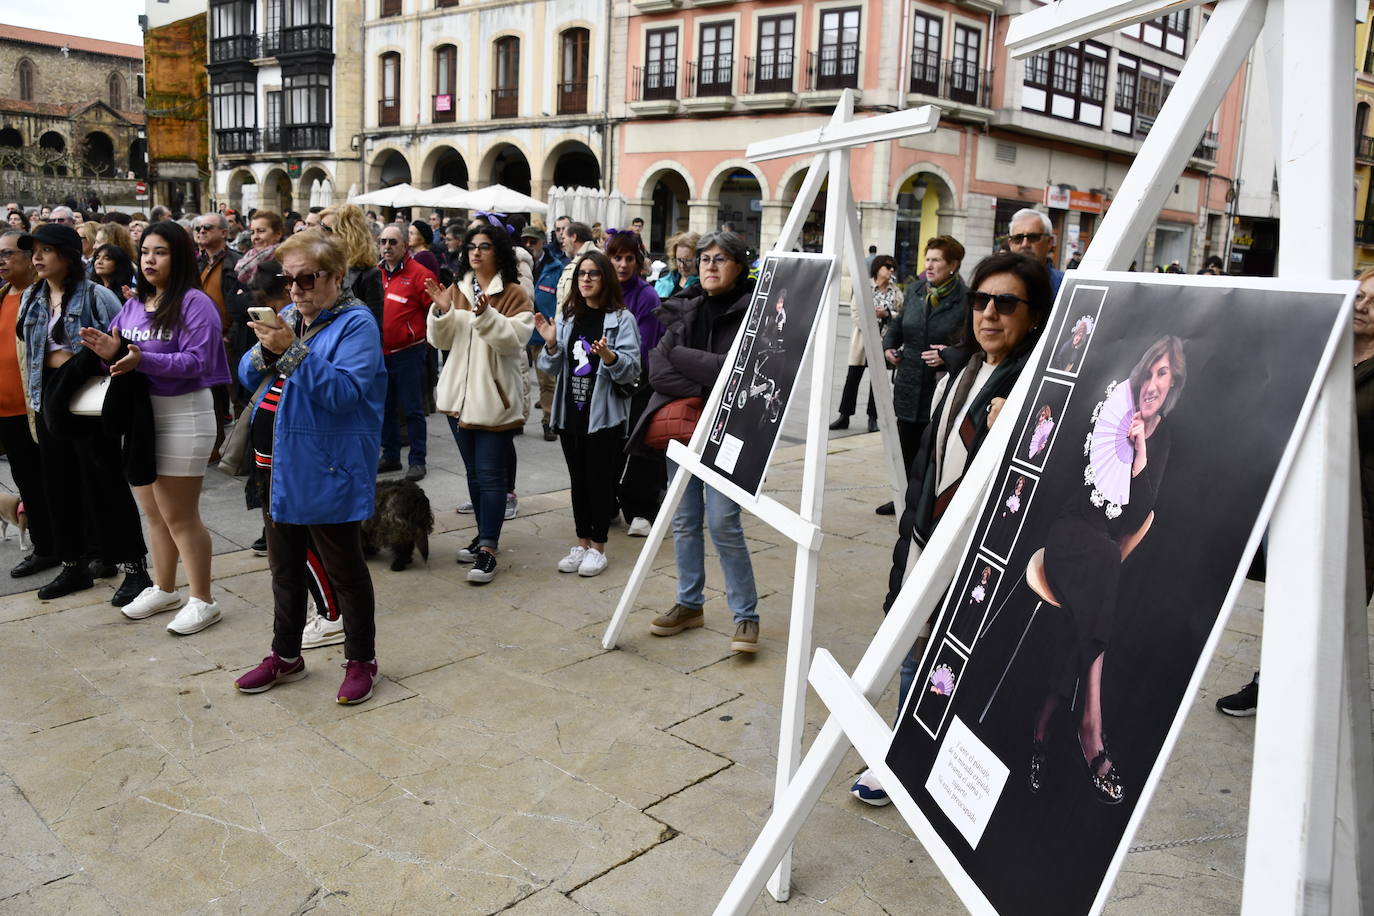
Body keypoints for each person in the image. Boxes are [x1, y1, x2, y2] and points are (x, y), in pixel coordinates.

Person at [852, 251, 1052, 806]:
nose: (989, 313)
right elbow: (931, 465)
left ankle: (933, 763)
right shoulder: (964, 368)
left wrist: (1017, 430)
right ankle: (903, 754)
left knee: (963, 662)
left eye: (1006, 303)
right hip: (930, 537)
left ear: (1033, 315)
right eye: (981, 300)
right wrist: (911, 536)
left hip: (983, 557)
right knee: (914, 644)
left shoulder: (1037, 388)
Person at [1025, 335, 1186, 805]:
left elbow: (1135, 519)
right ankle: (1090, 726)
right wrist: (1124, 445)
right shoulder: (1114, 412)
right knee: (1103, 558)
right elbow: (1087, 485)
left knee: (1104, 563)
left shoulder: (1162, 436)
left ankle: (1044, 721)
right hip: (1072, 532)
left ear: (1173, 382)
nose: (1153, 383)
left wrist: (1141, 456)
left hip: (1102, 552)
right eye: (1149, 372)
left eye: (1163, 374)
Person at [232, 231, 387, 705]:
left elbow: (344, 394)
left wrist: (290, 351)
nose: (296, 289)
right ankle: (286, 654)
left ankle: (361, 660)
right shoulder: (293, 319)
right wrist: (267, 348)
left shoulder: (357, 324)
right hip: (277, 464)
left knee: (344, 568)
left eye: (307, 279)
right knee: (284, 567)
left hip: (326, 465)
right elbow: (246, 374)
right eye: (289, 279)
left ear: (337, 277)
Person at [1216, 266, 1374, 717]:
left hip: (1356, 507)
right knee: (1288, 596)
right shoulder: (1326, 349)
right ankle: (1267, 683)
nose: (1363, 306)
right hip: (1297, 498)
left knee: (1335, 609)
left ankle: (1321, 703)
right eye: (1360, 296)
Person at [80, 221, 231, 634]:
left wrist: (141, 360)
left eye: (160, 252)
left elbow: (198, 362)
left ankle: (203, 599)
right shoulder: (134, 304)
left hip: (184, 414)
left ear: (179, 257)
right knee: (154, 513)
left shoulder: (195, 303)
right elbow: (120, 353)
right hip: (142, 418)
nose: (150, 259)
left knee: (180, 515)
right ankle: (164, 588)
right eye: (145, 251)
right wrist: (108, 352)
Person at [632, 231, 761, 653]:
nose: (709, 265)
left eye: (720, 259)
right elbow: (657, 371)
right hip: (684, 427)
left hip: (730, 430)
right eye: (705, 258)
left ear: (739, 266)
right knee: (685, 519)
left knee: (723, 521)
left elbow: (735, 371)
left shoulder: (753, 312)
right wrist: (709, 382)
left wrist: (683, 358)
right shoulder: (685, 305)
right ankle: (689, 604)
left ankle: (746, 616)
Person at [17, 223, 151, 603]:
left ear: (68, 254)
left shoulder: (96, 295)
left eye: (46, 250)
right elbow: (26, 344)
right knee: (58, 486)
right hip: (49, 397)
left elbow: (123, 344)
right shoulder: (32, 296)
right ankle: (73, 566)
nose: (37, 257)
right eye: (34, 250)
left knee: (106, 484)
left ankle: (133, 568)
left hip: (89, 398)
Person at [425, 223, 534, 583]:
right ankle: (483, 535)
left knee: (491, 476)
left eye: (484, 246)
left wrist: (485, 315)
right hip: (458, 399)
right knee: (474, 473)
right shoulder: (457, 289)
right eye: (471, 246)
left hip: (494, 401)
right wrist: (442, 312)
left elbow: (513, 341)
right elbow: (441, 342)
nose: (475, 252)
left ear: (498, 252)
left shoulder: (515, 293)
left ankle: (488, 548)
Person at [535, 249, 641, 576]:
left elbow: (632, 369)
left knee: (599, 482)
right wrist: (551, 344)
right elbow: (551, 367)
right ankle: (581, 544)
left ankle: (598, 547)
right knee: (578, 481)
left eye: (593, 273)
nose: (586, 279)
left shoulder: (621, 319)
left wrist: (609, 357)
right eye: (582, 274)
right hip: (571, 414)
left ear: (605, 278)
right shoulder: (568, 317)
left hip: (603, 417)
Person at [879, 236, 969, 514]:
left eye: (936, 260)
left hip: (939, 385)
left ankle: (926, 503)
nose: (929, 265)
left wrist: (948, 354)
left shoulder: (965, 299)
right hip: (908, 381)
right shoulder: (916, 290)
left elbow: (971, 344)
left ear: (953, 264)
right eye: (927, 259)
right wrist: (888, 346)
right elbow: (899, 324)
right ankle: (902, 498)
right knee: (904, 445)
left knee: (932, 448)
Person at [0, 230, 58, 578]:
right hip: (6, 411)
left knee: (52, 481)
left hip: (35, 409)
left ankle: (73, 546)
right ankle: (44, 546)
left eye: (7, 254)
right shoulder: (2, 295)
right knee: (27, 483)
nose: (1, 260)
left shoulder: (42, 297)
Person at [604, 229, 666, 536]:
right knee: (606, 447)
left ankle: (641, 509)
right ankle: (607, 504)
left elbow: (645, 347)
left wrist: (615, 362)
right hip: (604, 381)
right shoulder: (602, 289)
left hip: (640, 382)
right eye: (617, 257)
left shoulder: (646, 295)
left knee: (641, 447)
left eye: (629, 258)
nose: (623, 264)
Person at [376, 224, 435, 480]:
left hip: (408, 352)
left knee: (412, 409)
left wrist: (423, 338)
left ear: (405, 246)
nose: (387, 247)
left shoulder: (420, 274)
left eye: (393, 242)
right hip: (381, 353)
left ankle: (417, 460)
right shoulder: (376, 273)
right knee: (385, 407)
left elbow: (434, 311)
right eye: (383, 241)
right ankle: (390, 456)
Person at [833, 253, 899, 433]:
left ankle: (873, 418)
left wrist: (887, 314)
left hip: (883, 342)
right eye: (888, 266)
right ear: (877, 268)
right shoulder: (864, 287)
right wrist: (871, 332)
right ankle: (844, 416)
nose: (891, 270)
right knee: (852, 379)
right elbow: (855, 312)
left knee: (877, 383)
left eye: (893, 267)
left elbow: (900, 315)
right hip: (862, 341)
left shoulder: (895, 292)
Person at [528, 227, 566, 440]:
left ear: (542, 242)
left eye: (533, 241)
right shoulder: (517, 265)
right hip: (519, 330)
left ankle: (548, 420)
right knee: (516, 380)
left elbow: (562, 300)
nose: (529, 245)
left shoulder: (555, 267)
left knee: (547, 381)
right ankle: (516, 419)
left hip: (542, 332)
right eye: (525, 241)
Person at [320, 205, 385, 328]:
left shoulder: (369, 275)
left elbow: (374, 326)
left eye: (326, 229)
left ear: (346, 233)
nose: (320, 234)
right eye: (320, 226)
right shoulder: (320, 268)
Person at [1007, 208, 1063, 298]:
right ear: (1010, 244)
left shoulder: (1064, 286)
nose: (1025, 244)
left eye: (1033, 237)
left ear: (1049, 242)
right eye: (1018, 238)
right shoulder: (994, 283)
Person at [236, 210, 283, 289]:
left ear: (278, 234)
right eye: (252, 232)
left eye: (261, 231)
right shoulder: (245, 259)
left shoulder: (284, 263)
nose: (255, 237)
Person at [556, 221, 598, 311]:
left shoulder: (595, 260)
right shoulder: (575, 262)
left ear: (573, 237)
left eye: (564, 238)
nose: (563, 244)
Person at [654, 231, 700, 299]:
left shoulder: (704, 286)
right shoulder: (665, 281)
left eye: (687, 260)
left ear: (699, 258)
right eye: (679, 260)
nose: (682, 265)